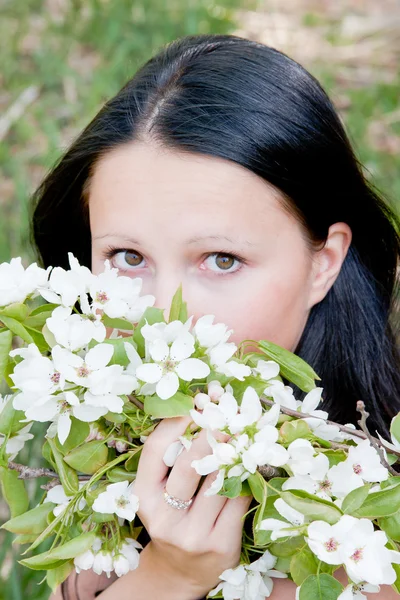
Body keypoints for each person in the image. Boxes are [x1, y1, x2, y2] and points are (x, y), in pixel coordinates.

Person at [29, 33, 400, 599]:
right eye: (128, 258)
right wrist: (167, 577)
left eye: (221, 260)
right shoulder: (101, 468)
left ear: (323, 263)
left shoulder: (365, 556)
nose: (165, 323)